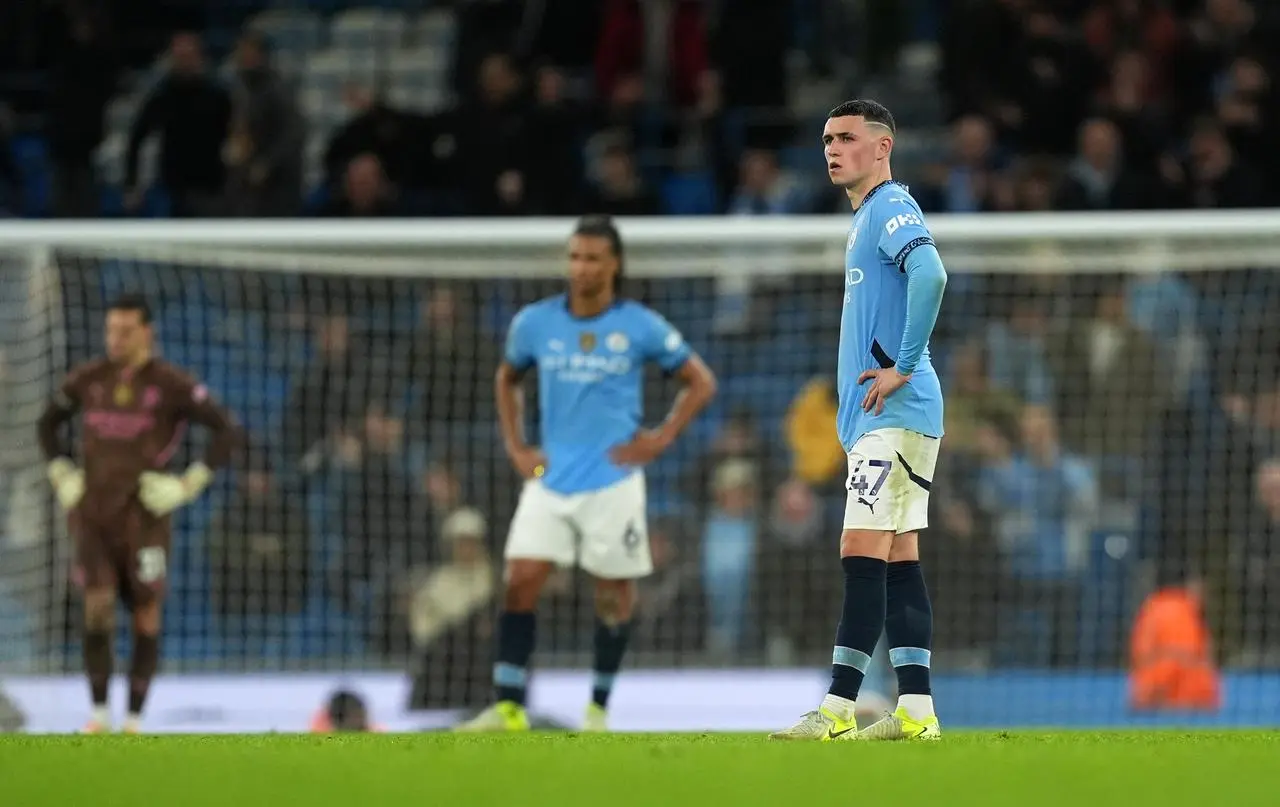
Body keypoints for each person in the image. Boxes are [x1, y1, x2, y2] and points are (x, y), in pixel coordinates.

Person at [457, 215, 717, 732]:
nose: (581, 267)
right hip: (550, 480)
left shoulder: (639, 325)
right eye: (575, 257)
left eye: (592, 258)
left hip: (613, 480)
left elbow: (700, 381)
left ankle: (597, 709)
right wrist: (516, 446)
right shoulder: (534, 322)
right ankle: (508, 706)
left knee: (613, 595)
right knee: (519, 581)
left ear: (614, 264)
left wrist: (660, 437)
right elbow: (507, 378)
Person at [771, 100, 947, 741]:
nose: (832, 148)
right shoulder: (867, 216)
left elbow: (931, 273)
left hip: (896, 411)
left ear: (883, 146)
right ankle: (918, 712)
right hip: (888, 417)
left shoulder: (891, 206)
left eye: (847, 137)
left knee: (860, 547)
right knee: (899, 556)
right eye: (826, 139)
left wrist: (901, 364)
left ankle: (839, 709)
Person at [37, 294, 240, 733]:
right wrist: (61, 471)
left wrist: (188, 485)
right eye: (111, 329)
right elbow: (46, 423)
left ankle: (133, 718)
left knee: (146, 613)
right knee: (96, 608)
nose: (115, 339)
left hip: (145, 519)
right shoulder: (89, 379)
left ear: (147, 332)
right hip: (92, 517)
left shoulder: (171, 384)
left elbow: (227, 429)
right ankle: (97, 715)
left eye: (125, 330)